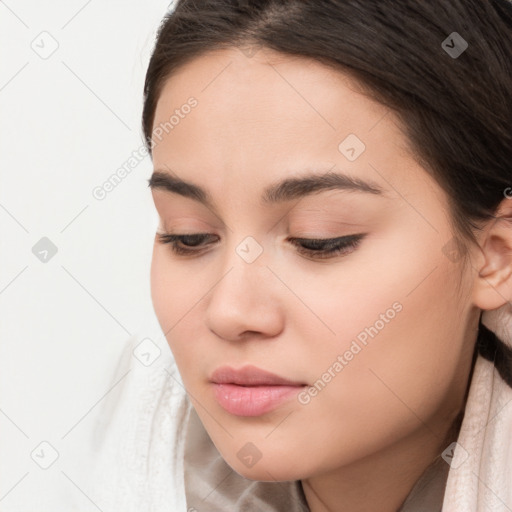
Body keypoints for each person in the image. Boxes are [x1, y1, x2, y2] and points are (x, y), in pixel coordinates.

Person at [90, 1, 512, 510]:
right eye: (190, 236)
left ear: (496, 255)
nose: (229, 312)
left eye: (319, 240)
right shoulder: (126, 454)